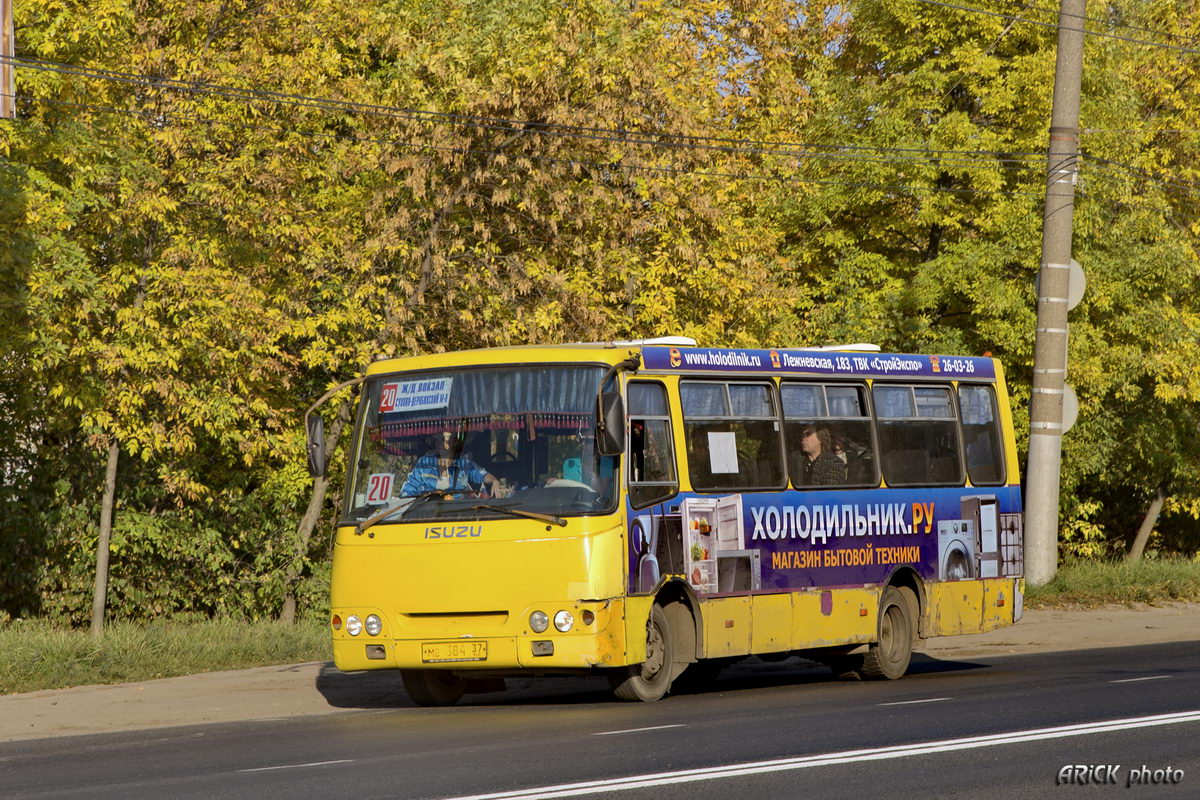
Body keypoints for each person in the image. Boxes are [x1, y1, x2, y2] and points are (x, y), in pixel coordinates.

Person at [400, 430, 503, 497]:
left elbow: (481, 474)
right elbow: (408, 491)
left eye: (449, 441)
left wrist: (494, 481)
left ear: (454, 444)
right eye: (441, 441)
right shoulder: (424, 463)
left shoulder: (462, 463)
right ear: (436, 444)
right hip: (426, 517)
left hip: (457, 515)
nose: (445, 445)